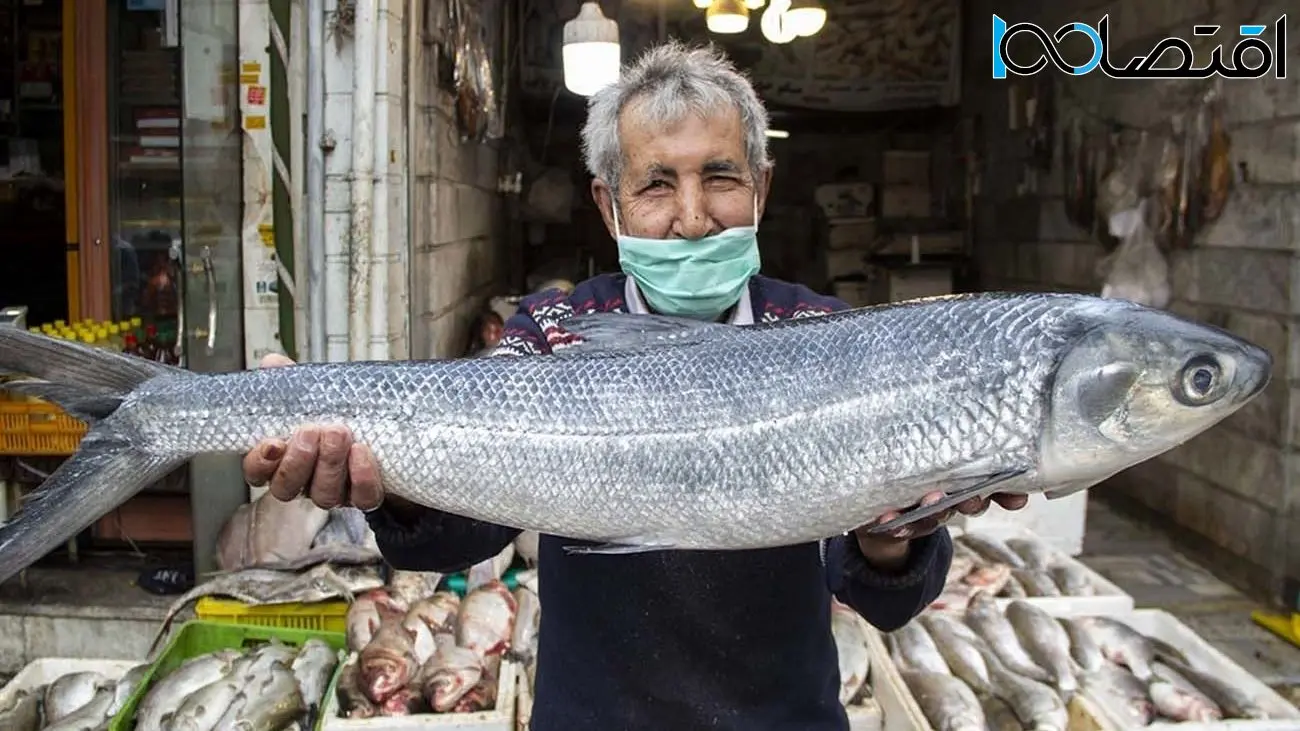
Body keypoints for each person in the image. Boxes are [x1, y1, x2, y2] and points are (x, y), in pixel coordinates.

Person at [244, 40, 1029, 731]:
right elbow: (464, 534)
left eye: (719, 177)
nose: (692, 218)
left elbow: (887, 600)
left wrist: (894, 534)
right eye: (656, 185)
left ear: (761, 185)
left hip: (781, 716)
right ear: (608, 204)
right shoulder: (554, 334)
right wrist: (385, 481)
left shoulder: (824, 335)